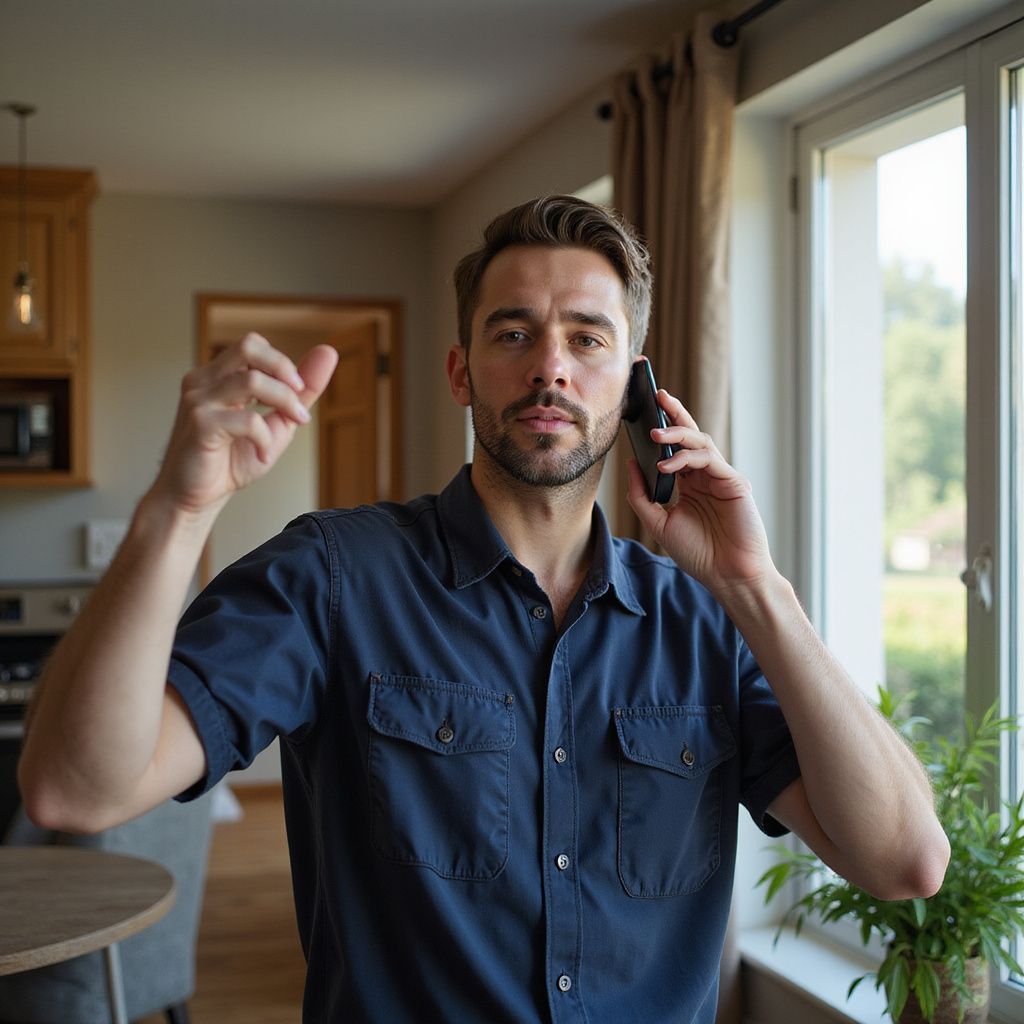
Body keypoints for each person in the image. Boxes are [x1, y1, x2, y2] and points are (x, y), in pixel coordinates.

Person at [19, 195, 949, 1023]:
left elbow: (907, 863)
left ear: (633, 384)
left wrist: (757, 588)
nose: (550, 365)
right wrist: (175, 511)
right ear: (462, 373)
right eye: (513, 333)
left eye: (587, 337)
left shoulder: (708, 621)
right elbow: (78, 790)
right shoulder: (333, 576)